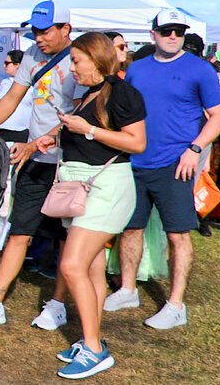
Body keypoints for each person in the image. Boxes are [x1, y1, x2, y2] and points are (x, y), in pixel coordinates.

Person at [0, 0, 86, 330]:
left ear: (65, 29)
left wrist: (38, 142)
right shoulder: (32, 55)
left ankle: (58, 303)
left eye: (45, 31)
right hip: (33, 158)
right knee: (20, 229)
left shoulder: (80, 59)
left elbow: (79, 116)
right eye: (35, 31)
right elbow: (10, 99)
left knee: (67, 237)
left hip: (67, 162)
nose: (39, 38)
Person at [33, 32, 147, 379]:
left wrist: (88, 131)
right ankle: (89, 338)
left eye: (77, 60)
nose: (73, 67)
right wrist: (54, 135)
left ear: (96, 60)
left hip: (107, 188)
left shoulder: (123, 93)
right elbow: (83, 129)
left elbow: (137, 143)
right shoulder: (91, 94)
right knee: (92, 269)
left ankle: (95, 350)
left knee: (71, 265)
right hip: (84, 186)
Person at [106, 9, 220, 330]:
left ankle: (176, 304)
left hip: (176, 164)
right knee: (130, 228)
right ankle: (128, 289)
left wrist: (195, 149)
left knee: (177, 234)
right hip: (135, 161)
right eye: (166, 31)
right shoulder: (138, 70)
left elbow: (219, 116)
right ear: (153, 34)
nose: (173, 36)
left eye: (178, 31)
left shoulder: (199, 69)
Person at [0, 50, 35, 144]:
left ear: (17, 65)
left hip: (22, 131)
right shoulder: (4, 82)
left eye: (7, 63)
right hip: (1, 130)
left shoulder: (32, 85)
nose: (4, 66)